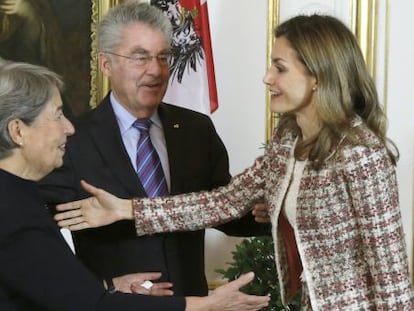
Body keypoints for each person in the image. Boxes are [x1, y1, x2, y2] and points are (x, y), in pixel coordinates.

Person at [55, 14, 414, 310]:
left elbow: (391, 273)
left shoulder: (361, 153)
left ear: (317, 77)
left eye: (280, 68)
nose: (267, 78)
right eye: (139, 57)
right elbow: (222, 201)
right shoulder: (288, 143)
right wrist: (128, 210)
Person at [38, 0, 269, 298]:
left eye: (163, 57)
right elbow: (38, 242)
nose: (156, 70)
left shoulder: (196, 130)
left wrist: (266, 212)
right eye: (140, 57)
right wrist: (104, 286)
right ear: (106, 64)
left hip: (193, 302)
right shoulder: (71, 141)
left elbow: (223, 208)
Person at [0, 59, 270, 310]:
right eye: (58, 115)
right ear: (18, 131)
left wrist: (110, 285)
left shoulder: (18, 196)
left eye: (162, 56)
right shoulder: (12, 211)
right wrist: (202, 306)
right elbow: (90, 306)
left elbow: (48, 286)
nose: (69, 128)